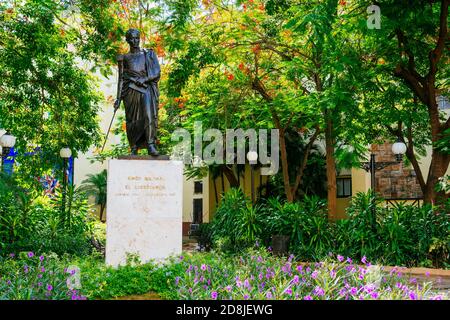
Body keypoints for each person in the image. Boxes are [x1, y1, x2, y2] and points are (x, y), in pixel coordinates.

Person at [114, 28, 160, 156]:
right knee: (132, 120)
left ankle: (151, 144)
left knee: (148, 115)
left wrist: (144, 79)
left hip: (145, 89)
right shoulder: (125, 58)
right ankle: (133, 146)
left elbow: (156, 72)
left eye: (137, 38)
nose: (135, 41)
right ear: (127, 40)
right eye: (132, 38)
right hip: (130, 92)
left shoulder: (148, 54)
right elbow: (121, 79)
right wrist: (118, 98)